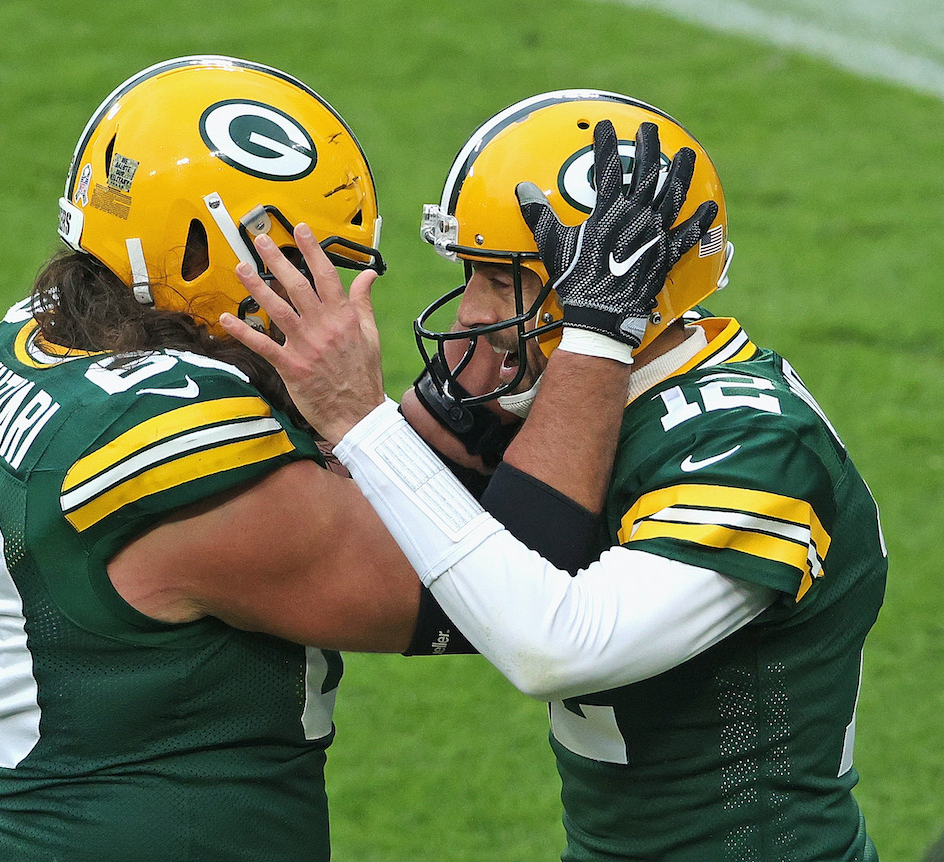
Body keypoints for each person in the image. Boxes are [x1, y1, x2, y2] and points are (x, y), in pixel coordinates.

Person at [223, 91, 888, 861]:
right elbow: (363, 514)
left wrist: (363, 419)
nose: (472, 311)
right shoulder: (573, 398)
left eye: (503, 282)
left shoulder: (746, 441)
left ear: (627, 290)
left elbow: (555, 644)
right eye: (471, 274)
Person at [0, 55, 454, 861]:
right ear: (211, 253)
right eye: (310, 261)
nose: (328, 291)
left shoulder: (25, 340)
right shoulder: (170, 438)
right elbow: (470, 588)